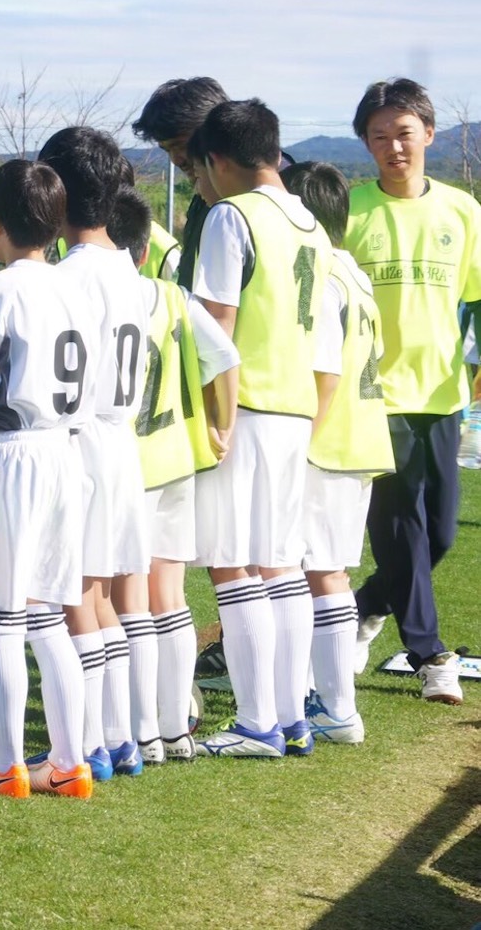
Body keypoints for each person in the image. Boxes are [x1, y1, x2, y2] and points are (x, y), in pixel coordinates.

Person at [0, 159, 95, 800]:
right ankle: (69, 761)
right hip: (67, 454)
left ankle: (8, 764)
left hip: (12, 454)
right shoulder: (77, 290)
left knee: (4, 620)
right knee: (50, 616)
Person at [187, 99, 332, 758]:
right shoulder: (309, 222)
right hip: (294, 406)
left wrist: (216, 418)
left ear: (216, 161)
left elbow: (215, 325)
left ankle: (255, 724)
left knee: (232, 567)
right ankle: (291, 716)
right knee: (280, 567)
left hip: (244, 406)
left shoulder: (229, 214)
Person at [342, 78, 481, 705]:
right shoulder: (350, 211)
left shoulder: (463, 211)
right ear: (367, 145)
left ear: (428, 133)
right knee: (400, 526)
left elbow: (478, 299)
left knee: (441, 533)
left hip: (444, 390)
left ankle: (364, 606)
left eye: (403, 133)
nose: (393, 146)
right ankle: (431, 657)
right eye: (379, 136)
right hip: (374, 393)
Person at [39, 127, 152, 782]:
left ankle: (79, 746)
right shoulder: (127, 268)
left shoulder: (66, 277)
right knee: (102, 594)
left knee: (73, 595)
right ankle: (117, 737)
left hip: (80, 440)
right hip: (119, 441)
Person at [109, 189, 238, 761]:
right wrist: (222, 426)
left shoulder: (97, 301)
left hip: (127, 463)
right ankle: (176, 726)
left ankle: (141, 732)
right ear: (143, 251)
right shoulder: (173, 295)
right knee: (171, 596)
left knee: (127, 598)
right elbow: (226, 357)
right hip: (178, 461)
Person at [282, 161, 394, 741]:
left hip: (328, 442)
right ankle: (313, 695)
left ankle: (337, 709)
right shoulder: (354, 271)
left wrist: (299, 437)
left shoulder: (320, 272)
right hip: (362, 437)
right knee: (327, 572)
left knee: (322, 574)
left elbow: (324, 371)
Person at [131, 77, 231, 287]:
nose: (176, 159)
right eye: (167, 150)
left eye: (180, 145)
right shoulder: (202, 202)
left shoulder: (279, 197)